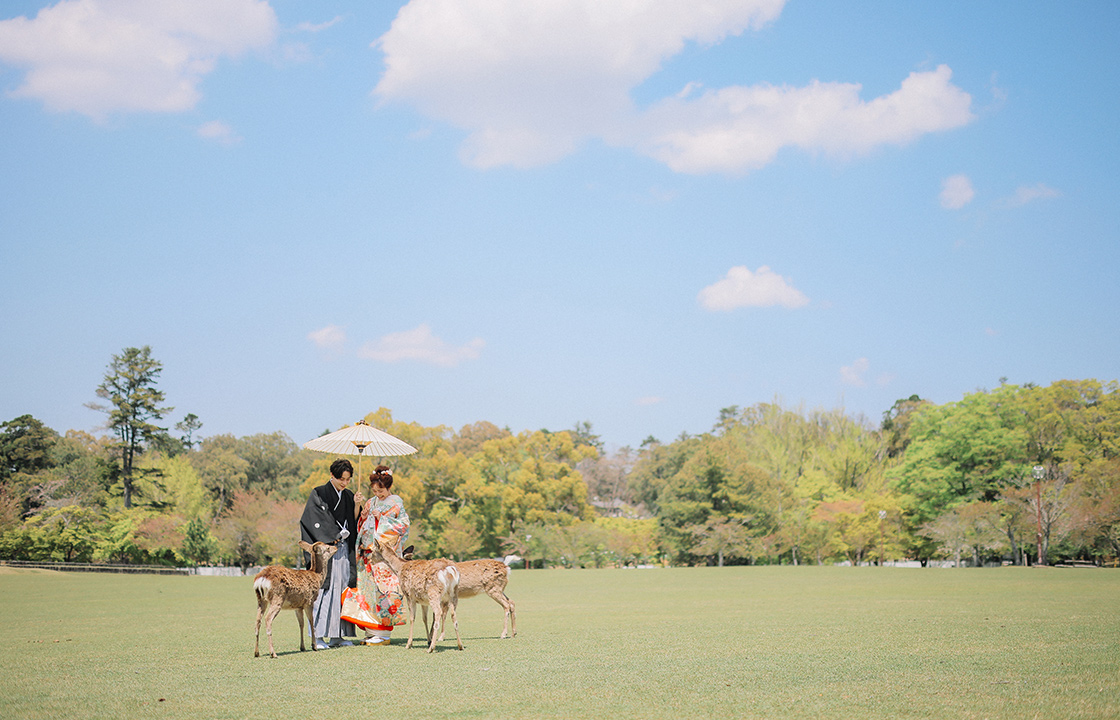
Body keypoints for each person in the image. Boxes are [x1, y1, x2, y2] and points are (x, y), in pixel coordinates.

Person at [343, 464, 410, 646]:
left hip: (383, 558)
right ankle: (371, 631)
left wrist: (382, 518)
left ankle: (383, 634)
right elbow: (359, 522)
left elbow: (402, 526)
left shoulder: (396, 502)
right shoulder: (370, 502)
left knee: (383, 593)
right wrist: (363, 514)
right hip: (367, 553)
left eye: (380, 490)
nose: (377, 494)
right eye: (374, 491)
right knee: (367, 593)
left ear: (388, 487)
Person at [300, 457, 363, 649]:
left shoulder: (349, 495)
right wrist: (334, 534)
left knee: (343, 588)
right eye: (341, 479)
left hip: (344, 549)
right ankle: (318, 636)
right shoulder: (319, 493)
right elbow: (313, 520)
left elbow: (353, 520)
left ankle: (339, 636)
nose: (344, 483)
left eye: (348, 479)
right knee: (324, 590)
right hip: (326, 551)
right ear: (332, 475)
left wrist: (357, 505)